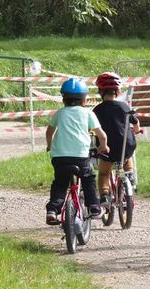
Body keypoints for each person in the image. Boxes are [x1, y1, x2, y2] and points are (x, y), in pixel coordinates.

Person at [45, 78, 108, 225]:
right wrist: (103, 146)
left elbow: (49, 132)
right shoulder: (88, 114)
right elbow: (102, 135)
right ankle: (93, 207)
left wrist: (50, 146)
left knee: (60, 183)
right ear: (84, 100)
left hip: (59, 157)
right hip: (80, 156)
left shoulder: (59, 113)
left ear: (63, 99)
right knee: (88, 178)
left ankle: (52, 211)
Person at [92, 72, 140, 212]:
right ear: (118, 92)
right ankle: (130, 175)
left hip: (107, 148)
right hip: (125, 145)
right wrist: (136, 131)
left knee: (103, 173)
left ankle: (105, 196)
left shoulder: (97, 110)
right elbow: (136, 123)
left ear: (100, 92)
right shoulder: (124, 107)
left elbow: (92, 127)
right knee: (127, 154)